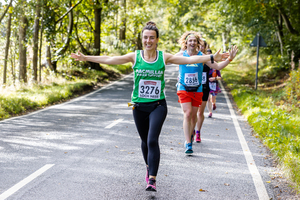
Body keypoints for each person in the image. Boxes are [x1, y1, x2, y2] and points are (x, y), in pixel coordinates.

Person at [71, 21, 228, 192]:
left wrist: (211, 58)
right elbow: (110, 59)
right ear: (142, 40)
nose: (148, 41)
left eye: (151, 38)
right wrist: (86, 58)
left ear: (157, 40)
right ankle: (148, 166)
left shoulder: (163, 57)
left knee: (152, 140)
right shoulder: (135, 57)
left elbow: (190, 59)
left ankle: (152, 179)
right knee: (144, 141)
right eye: (145, 38)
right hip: (138, 106)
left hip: (158, 105)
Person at [174, 31, 238, 154]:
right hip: (183, 88)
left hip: (197, 89)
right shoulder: (181, 54)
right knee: (187, 114)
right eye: (190, 40)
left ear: (198, 43)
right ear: (186, 42)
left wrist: (230, 59)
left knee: (193, 116)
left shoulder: (202, 56)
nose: (192, 42)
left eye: (194, 41)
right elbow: (166, 61)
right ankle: (188, 143)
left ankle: (191, 135)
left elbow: (217, 67)